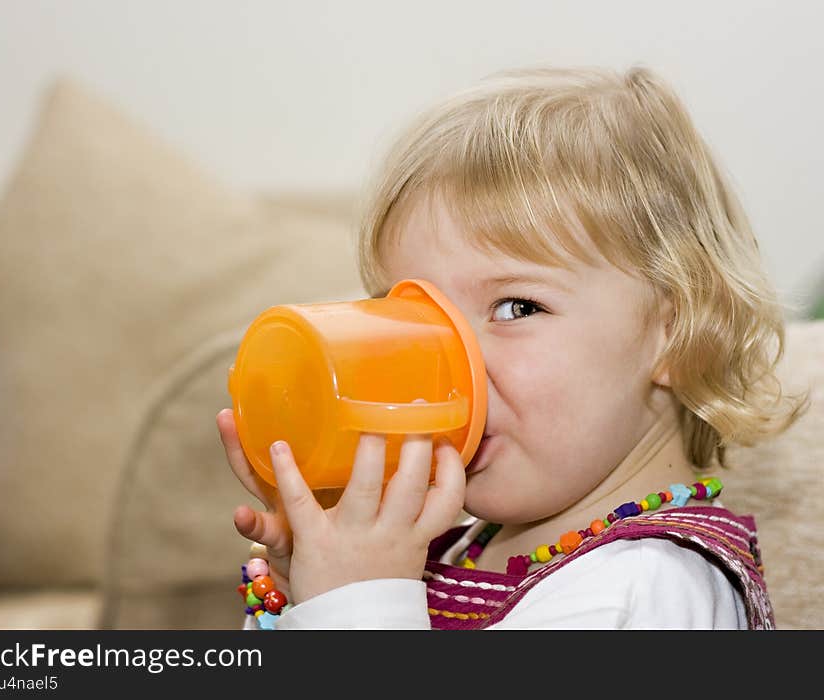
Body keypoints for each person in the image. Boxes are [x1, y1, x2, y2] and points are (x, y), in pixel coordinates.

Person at [216, 65, 808, 629]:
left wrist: (358, 604)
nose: (447, 359)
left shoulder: (644, 590)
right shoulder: (462, 545)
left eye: (516, 307)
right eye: (414, 315)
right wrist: (311, 587)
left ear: (676, 334)